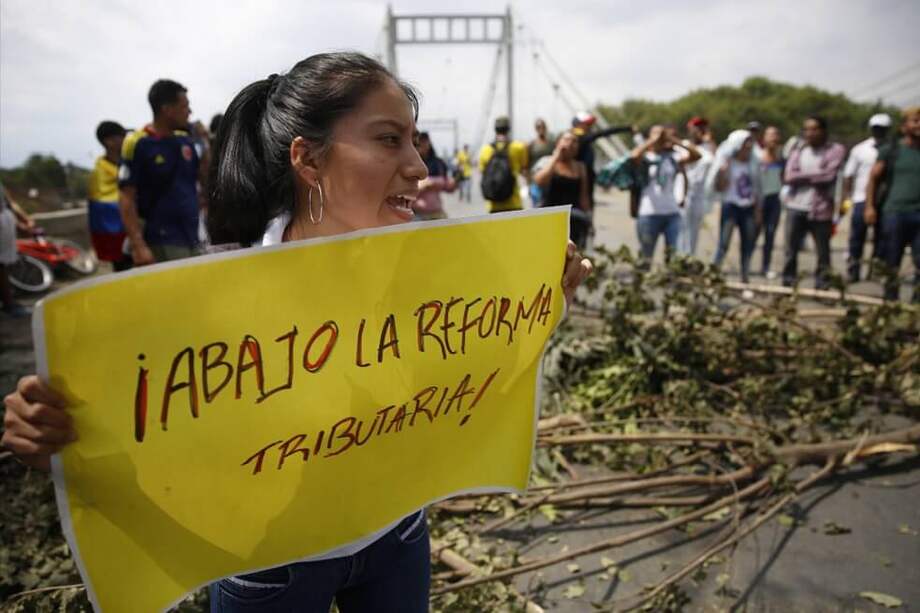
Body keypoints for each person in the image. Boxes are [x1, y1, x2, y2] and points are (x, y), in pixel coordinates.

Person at [1, 51, 593, 612]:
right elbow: (147, 436)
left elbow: (471, 381)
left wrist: (539, 311)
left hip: (400, 535)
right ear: (308, 160)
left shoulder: (442, 273)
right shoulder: (204, 302)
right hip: (268, 564)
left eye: (413, 141)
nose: (418, 167)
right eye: (389, 140)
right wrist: (57, 438)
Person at [119, 79, 207, 265]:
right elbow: (126, 197)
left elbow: (204, 178)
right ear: (167, 110)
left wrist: (204, 141)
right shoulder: (138, 143)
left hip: (193, 237)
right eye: (184, 106)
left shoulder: (186, 141)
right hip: (162, 240)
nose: (190, 112)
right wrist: (138, 245)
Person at [781, 116, 846, 289]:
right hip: (796, 207)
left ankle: (822, 285)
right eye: (806, 129)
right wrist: (816, 175)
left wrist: (801, 176)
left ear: (823, 131)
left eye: (814, 129)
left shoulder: (835, 150)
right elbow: (789, 176)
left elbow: (829, 176)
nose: (809, 133)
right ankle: (788, 283)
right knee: (790, 250)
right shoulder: (798, 150)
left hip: (821, 209)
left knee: (823, 252)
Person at [865, 107, 920, 302]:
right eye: (915, 121)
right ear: (904, 126)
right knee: (891, 261)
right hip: (895, 213)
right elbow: (873, 179)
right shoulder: (892, 150)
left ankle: (915, 307)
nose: (919, 125)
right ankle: (890, 302)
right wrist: (870, 207)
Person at [631, 125, 702, 262]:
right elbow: (634, 156)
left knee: (672, 257)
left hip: (672, 213)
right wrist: (653, 140)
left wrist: (673, 140)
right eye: (656, 133)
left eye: (662, 134)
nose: (660, 136)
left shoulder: (673, 157)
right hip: (649, 214)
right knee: (645, 257)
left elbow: (697, 155)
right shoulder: (646, 157)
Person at [843, 113, 892, 282]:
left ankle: (875, 272)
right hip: (860, 199)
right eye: (876, 128)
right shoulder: (860, 149)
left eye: (882, 128)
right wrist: (847, 198)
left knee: (881, 239)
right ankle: (853, 270)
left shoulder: (893, 150)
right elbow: (849, 175)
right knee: (857, 237)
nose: (879, 131)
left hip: (885, 202)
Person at [711, 130, 762, 283]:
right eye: (746, 142)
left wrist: (758, 210)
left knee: (747, 244)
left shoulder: (753, 163)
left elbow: (758, 188)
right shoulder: (728, 162)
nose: (749, 145)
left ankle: (745, 277)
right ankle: (713, 274)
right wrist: (722, 172)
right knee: (724, 243)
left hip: (748, 208)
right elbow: (719, 187)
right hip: (730, 206)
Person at [532, 130, 591, 248]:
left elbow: (584, 197)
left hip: (573, 220)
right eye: (567, 140)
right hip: (549, 219)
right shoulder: (547, 162)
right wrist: (555, 157)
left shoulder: (580, 167)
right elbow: (539, 181)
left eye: (575, 141)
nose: (571, 144)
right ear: (558, 143)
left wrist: (589, 220)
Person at [88, 121, 132, 271]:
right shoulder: (99, 173)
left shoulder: (129, 163)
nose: (126, 140)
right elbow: (102, 207)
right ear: (109, 142)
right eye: (122, 136)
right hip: (117, 238)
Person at [572, 112, 635, 212]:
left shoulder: (583, 137)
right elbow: (604, 133)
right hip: (578, 184)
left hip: (587, 181)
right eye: (587, 124)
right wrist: (627, 128)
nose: (590, 127)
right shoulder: (579, 136)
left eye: (590, 124)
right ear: (578, 124)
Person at [678, 117, 714, 256]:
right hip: (683, 192)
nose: (700, 130)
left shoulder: (708, 147)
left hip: (700, 195)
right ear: (690, 129)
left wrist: (709, 141)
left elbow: (716, 161)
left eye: (703, 127)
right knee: (681, 229)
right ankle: (679, 257)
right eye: (697, 127)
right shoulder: (683, 145)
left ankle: (689, 259)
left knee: (693, 232)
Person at [478, 117, 529, 213]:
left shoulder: (485, 150)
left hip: (493, 206)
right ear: (508, 129)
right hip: (514, 203)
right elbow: (524, 169)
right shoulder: (518, 147)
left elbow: (482, 172)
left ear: (495, 130)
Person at [0, 180, 35, 317]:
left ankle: (9, 302)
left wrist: (24, 219)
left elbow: (9, 202)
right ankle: (9, 304)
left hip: (5, 222)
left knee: (4, 264)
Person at [758, 125, 785, 278]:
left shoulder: (781, 158)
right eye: (770, 135)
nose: (773, 138)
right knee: (753, 234)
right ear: (764, 138)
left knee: (770, 234)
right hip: (759, 200)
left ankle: (765, 266)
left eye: (776, 134)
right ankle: (745, 266)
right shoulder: (758, 156)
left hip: (774, 200)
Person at [413, 132, 455, 220]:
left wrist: (453, 183)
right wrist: (422, 185)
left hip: (437, 213)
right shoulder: (409, 164)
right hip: (416, 214)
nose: (423, 145)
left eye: (425, 141)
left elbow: (447, 186)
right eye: (419, 143)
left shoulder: (438, 163)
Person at [527, 118, 554, 205]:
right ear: (536, 129)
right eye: (539, 127)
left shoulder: (551, 143)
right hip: (536, 181)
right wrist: (529, 184)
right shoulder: (531, 145)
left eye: (543, 127)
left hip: (549, 180)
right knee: (537, 206)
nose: (541, 129)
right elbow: (527, 165)